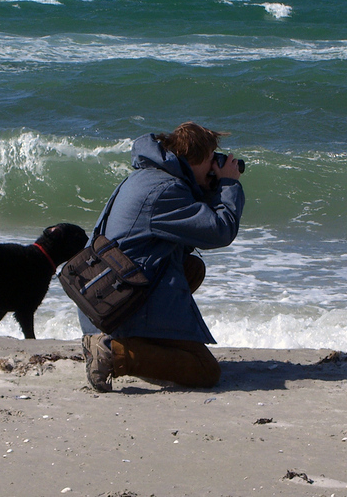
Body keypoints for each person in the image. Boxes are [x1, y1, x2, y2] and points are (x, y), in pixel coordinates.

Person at [80, 122, 245, 391]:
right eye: (211, 159)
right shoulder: (166, 191)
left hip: (105, 296)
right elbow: (220, 231)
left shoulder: (149, 176)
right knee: (205, 371)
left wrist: (209, 187)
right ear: (200, 158)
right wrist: (228, 184)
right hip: (119, 303)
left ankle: (139, 342)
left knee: (191, 268)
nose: (215, 166)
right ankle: (113, 352)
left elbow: (190, 234)